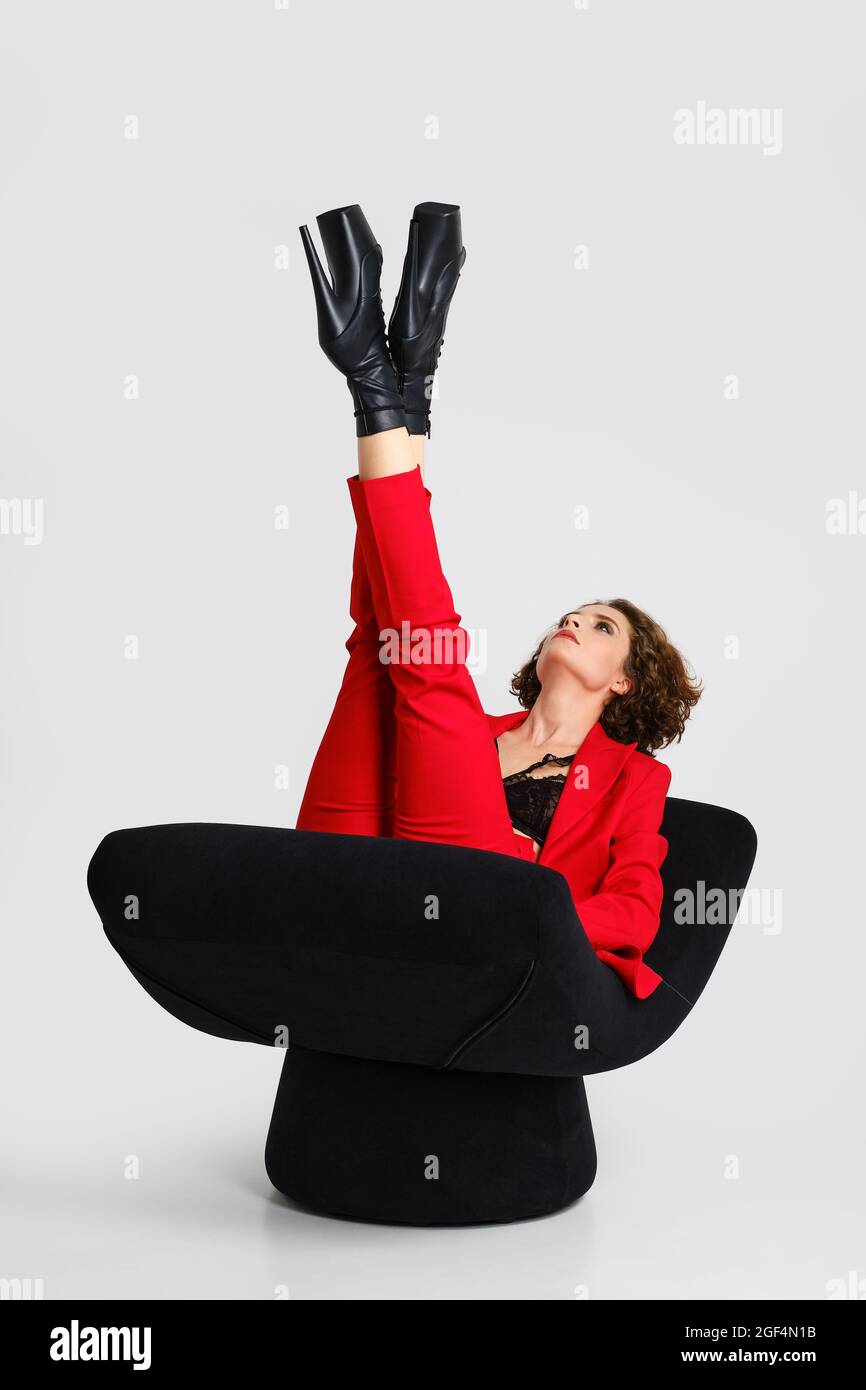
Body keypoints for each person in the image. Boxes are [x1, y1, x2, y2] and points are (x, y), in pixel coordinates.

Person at [295, 202, 702, 1000]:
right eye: (571, 614)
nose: (573, 622)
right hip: (362, 873)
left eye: (600, 626)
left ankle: (389, 383)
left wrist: (535, 912)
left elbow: (633, 914)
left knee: (426, 656)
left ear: (625, 678)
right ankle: (402, 384)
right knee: (383, 647)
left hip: (483, 915)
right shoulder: (478, 731)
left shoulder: (632, 782)